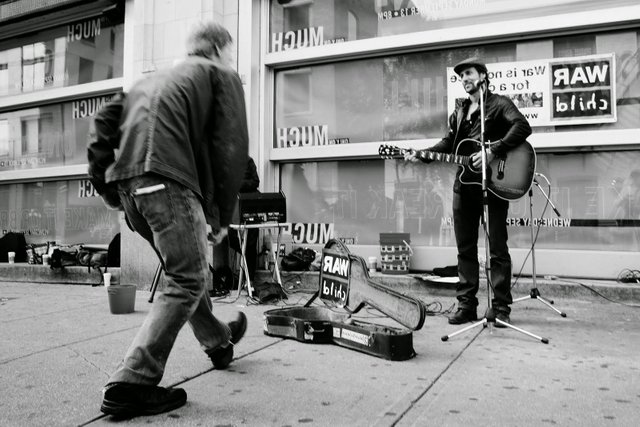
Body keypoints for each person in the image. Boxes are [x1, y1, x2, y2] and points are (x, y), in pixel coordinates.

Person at [88, 22, 249, 418]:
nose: (232, 59)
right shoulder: (219, 74)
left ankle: (218, 341)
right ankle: (132, 381)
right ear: (218, 49)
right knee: (188, 276)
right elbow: (229, 147)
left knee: (182, 272)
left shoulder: (146, 82)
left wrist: (109, 187)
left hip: (131, 189)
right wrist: (223, 215)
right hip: (167, 181)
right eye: (231, 51)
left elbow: (101, 128)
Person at [405, 57, 532, 327]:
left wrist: (491, 151)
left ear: (483, 76)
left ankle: (500, 307)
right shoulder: (460, 111)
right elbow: (450, 143)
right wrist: (423, 155)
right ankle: (467, 305)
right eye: (461, 75)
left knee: (497, 247)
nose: (464, 79)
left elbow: (522, 127)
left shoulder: (499, 104)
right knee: (465, 248)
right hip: (464, 186)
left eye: (469, 73)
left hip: (494, 186)